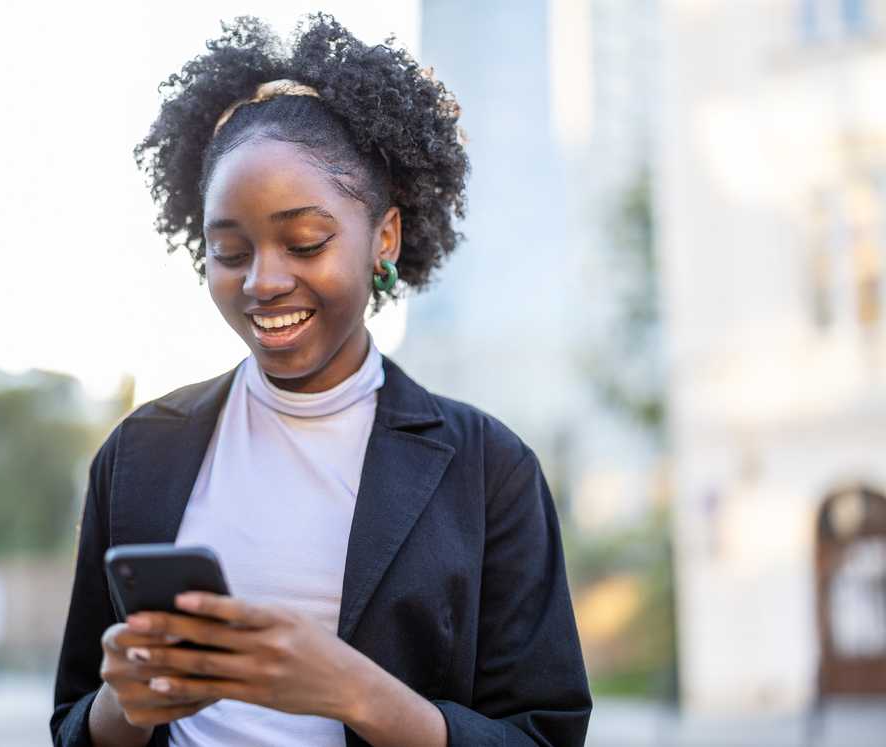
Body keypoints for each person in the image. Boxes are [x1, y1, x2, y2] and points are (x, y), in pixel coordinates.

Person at [51, 12, 591, 747]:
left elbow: (545, 736)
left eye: (305, 242)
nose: (263, 282)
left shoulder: (489, 470)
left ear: (385, 238)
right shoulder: (139, 453)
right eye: (229, 250)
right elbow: (74, 722)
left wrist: (359, 693)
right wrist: (127, 705)